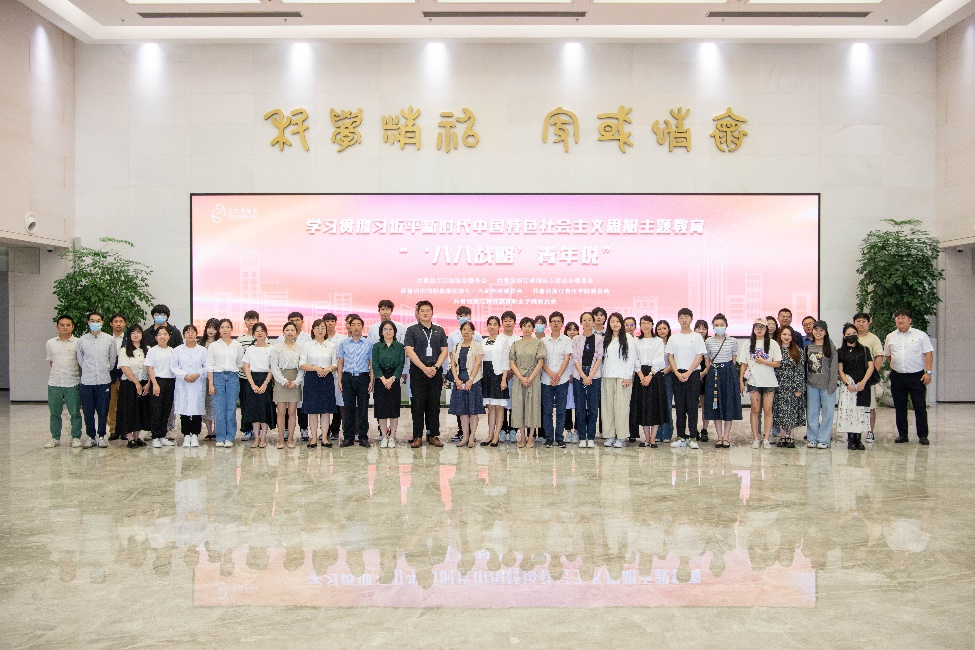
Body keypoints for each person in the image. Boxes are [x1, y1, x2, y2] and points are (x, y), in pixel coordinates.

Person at [884, 309, 934, 445]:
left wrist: (928, 372)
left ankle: (923, 435)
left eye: (903, 318)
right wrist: (898, 364)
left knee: (919, 406)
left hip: (917, 376)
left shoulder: (920, 335)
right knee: (900, 406)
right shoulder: (890, 336)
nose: (900, 320)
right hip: (897, 376)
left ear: (910, 320)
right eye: (898, 318)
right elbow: (888, 355)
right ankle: (903, 434)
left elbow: (928, 354)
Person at [404, 301, 449, 448]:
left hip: (435, 371)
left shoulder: (439, 330)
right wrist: (424, 368)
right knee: (418, 404)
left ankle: (433, 435)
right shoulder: (412, 330)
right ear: (417, 313)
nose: (425, 313)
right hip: (418, 371)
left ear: (432, 312)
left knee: (434, 404)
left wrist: (435, 367)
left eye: (428, 310)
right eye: (422, 310)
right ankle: (417, 436)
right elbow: (409, 351)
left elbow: (444, 351)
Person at [738, 318, 782, 449]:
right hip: (753, 381)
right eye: (756, 326)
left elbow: (777, 363)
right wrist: (741, 381)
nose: (759, 329)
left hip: (769, 382)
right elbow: (743, 364)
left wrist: (764, 362)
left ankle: (767, 438)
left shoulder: (773, 344)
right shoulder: (747, 344)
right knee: (755, 410)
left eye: (762, 327)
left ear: (766, 329)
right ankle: (756, 438)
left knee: (768, 410)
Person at [76, 311, 118, 448]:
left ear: (102, 322)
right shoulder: (82, 340)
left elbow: (112, 359)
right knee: (88, 410)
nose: (95, 323)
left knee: (103, 410)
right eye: (92, 321)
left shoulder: (109, 339)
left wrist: (105, 369)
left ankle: (101, 436)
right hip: (87, 381)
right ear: (88, 323)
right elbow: (80, 360)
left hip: (104, 380)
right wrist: (88, 370)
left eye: (98, 321)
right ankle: (90, 436)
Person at [667, 308, 707, 449]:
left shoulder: (697, 337)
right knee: (680, 407)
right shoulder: (673, 338)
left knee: (692, 406)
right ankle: (681, 437)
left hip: (693, 374)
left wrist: (689, 372)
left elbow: (699, 356)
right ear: (678, 319)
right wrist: (677, 373)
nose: (684, 320)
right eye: (681, 317)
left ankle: (693, 437)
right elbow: (670, 356)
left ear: (691, 319)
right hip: (677, 374)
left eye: (687, 317)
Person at [445, 305, 484, 442]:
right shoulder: (456, 344)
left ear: (473, 332)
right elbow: (453, 363)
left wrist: (470, 379)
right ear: (461, 332)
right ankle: (464, 436)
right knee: (462, 410)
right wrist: (456, 379)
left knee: (473, 409)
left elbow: (478, 364)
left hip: (473, 380)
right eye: (464, 330)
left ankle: (472, 437)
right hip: (459, 379)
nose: (466, 332)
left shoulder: (478, 343)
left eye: (469, 330)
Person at [703, 314, 741, 449]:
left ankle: (726, 437)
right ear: (713, 327)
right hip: (714, 373)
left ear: (726, 326)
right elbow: (707, 360)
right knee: (716, 405)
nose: (719, 327)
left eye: (722, 325)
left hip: (728, 373)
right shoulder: (708, 341)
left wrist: (731, 374)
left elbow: (734, 360)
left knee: (728, 403)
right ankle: (719, 437)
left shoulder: (732, 341)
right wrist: (711, 371)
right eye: (716, 325)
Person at [601, 312, 639, 448]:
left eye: (617, 321)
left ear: (621, 323)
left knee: (621, 408)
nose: (615, 324)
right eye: (612, 321)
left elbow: (631, 358)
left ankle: (621, 437)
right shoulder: (606, 338)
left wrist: (628, 376)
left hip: (623, 378)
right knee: (608, 408)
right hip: (607, 376)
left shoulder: (628, 338)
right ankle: (610, 435)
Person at [300, 318, 339, 449]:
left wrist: (328, 369)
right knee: (312, 410)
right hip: (312, 378)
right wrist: (316, 368)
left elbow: (335, 364)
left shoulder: (331, 345)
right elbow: (302, 364)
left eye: (323, 328)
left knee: (326, 410)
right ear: (313, 330)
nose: (320, 330)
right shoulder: (307, 345)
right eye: (317, 328)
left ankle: (325, 438)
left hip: (327, 378)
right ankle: (313, 438)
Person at [509, 317, 546, 448]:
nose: (527, 329)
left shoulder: (539, 343)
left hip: (533, 379)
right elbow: (512, 362)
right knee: (519, 406)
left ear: (533, 328)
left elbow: (540, 362)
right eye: (524, 326)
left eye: (529, 326)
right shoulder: (516, 344)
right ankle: (522, 437)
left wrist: (530, 378)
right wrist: (521, 377)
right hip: (518, 379)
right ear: (521, 328)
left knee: (533, 406)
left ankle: (531, 437)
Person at [45, 315, 82, 448]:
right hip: (54, 383)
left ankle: (76, 437)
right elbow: (51, 361)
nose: (65, 327)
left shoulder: (78, 342)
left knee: (75, 413)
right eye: (62, 325)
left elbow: (80, 362)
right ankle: (55, 438)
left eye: (68, 325)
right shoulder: (50, 343)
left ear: (72, 327)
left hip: (72, 382)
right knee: (54, 413)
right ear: (57, 327)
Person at [206, 318, 244, 448]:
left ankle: (230, 437)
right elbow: (210, 366)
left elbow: (240, 364)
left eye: (228, 327)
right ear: (219, 330)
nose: (225, 329)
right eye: (222, 327)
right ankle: (220, 437)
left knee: (231, 408)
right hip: (218, 377)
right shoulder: (214, 346)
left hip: (233, 377)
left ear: (231, 329)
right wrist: (211, 384)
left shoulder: (237, 345)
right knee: (219, 409)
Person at [837, 323, 875, 451]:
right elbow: (840, 370)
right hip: (848, 386)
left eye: (854, 333)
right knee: (849, 411)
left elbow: (871, 366)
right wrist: (848, 384)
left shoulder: (864, 349)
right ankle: (851, 439)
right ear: (844, 336)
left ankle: (858, 438)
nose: (851, 336)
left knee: (860, 411)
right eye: (848, 334)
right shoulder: (840, 351)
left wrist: (863, 382)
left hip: (862, 385)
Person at [337, 314, 373, 448]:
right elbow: (340, 362)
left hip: (363, 378)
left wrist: (371, 381)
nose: (356, 327)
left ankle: (363, 437)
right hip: (347, 378)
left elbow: (371, 363)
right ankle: (348, 438)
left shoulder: (369, 343)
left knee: (363, 408)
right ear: (349, 327)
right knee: (348, 408)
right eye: (353, 325)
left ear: (363, 327)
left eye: (359, 325)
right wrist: (339, 380)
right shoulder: (344, 343)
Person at [540, 311, 573, 449]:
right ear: (549, 324)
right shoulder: (543, 341)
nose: (555, 323)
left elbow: (566, 359)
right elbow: (541, 361)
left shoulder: (567, 340)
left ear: (562, 324)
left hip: (562, 380)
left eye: (558, 321)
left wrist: (558, 375)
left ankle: (559, 437)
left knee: (561, 411)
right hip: (546, 380)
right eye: (553, 321)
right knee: (547, 411)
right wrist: (551, 374)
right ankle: (549, 438)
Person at [171, 324, 207, 448]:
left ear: (196, 334)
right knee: (184, 409)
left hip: (198, 382)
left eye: (192, 332)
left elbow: (207, 366)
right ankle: (186, 435)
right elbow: (174, 366)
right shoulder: (177, 350)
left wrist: (197, 374)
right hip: (183, 383)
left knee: (197, 410)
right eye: (187, 332)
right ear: (183, 335)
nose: (190, 334)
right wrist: (184, 375)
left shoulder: (202, 350)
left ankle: (195, 435)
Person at [115, 324, 150, 448]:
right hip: (129, 384)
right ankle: (130, 438)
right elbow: (124, 368)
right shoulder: (124, 350)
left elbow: (151, 368)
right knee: (128, 411)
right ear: (128, 336)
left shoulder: (148, 349)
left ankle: (137, 437)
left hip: (144, 383)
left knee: (140, 410)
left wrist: (148, 384)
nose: (136, 335)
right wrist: (136, 383)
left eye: (138, 332)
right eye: (133, 333)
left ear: (142, 335)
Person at [805, 320, 838, 450]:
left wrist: (832, 385)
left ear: (825, 332)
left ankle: (824, 439)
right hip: (811, 385)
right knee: (812, 412)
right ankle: (812, 438)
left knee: (827, 413)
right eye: (816, 329)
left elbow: (834, 368)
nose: (818, 332)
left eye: (821, 330)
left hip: (827, 386)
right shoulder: (808, 348)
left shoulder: (831, 347)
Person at [571, 311, 603, 448]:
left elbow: (599, 358)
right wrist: (583, 376)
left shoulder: (599, 339)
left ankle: (591, 437)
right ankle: (582, 437)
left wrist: (590, 375)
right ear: (581, 322)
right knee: (580, 407)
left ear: (593, 322)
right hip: (579, 375)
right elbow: (575, 358)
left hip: (594, 375)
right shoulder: (576, 339)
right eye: (585, 320)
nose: (587, 322)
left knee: (593, 407)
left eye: (590, 319)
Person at [371, 319, 405, 448]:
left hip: (394, 379)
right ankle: (384, 437)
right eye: (385, 329)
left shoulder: (399, 347)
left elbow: (401, 364)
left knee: (393, 409)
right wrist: (383, 379)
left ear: (394, 332)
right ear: (381, 332)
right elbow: (375, 364)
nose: (388, 331)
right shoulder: (377, 346)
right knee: (382, 409)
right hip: (381, 379)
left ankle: (392, 437)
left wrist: (392, 379)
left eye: (390, 329)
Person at [242, 323, 276, 449]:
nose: (260, 333)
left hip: (266, 380)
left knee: (264, 410)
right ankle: (256, 437)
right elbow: (246, 366)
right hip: (252, 380)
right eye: (257, 331)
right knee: (254, 411)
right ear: (253, 334)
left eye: (262, 331)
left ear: (266, 333)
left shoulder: (271, 348)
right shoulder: (250, 349)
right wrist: (252, 384)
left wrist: (266, 383)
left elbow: (272, 367)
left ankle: (263, 438)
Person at [271, 321, 304, 449]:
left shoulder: (300, 348)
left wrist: (296, 381)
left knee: (292, 412)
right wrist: (283, 381)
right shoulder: (277, 348)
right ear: (283, 332)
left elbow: (302, 367)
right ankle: (280, 440)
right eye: (287, 330)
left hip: (295, 380)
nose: (290, 332)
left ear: (296, 332)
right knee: (280, 412)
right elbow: (274, 367)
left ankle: (290, 439)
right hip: (281, 381)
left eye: (292, 330)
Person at [853, 312, 885, 442]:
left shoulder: (873, 338)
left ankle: (870, 432)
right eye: (858, 321)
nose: (861, 324)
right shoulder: (851, 336)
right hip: (853, 378)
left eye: (863, 321)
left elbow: (879, 356)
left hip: (868, 378)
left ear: (868, 323)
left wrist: (872, 375)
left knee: (870, 406)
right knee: (854, 406)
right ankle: (855, 431)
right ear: (854, 323)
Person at [634, 315, 664, 448]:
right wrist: (641, 375)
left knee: (655, 406)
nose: (645, 325)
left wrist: (650, 375)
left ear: (652, 325)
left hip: (655, 375)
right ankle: (646, 437)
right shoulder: (636, 341)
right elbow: (634, 358)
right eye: (643, 323)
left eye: (648, 323)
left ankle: (653, 438)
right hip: (640, 374)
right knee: (643, 405)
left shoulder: (658, 341)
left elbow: (659, 359)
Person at [772, 325, 805, 449]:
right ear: (780, 335)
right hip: (778, 385)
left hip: (792, 386)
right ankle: (782, 436)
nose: (787, 337)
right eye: (784, 334)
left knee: (791, 412)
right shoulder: (775, 349)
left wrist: (799, 388)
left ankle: (791, 436)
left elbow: (800, 370)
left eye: (789, 335)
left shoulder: (798, 350)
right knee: (780, 411)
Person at [146, 327, 177, 448]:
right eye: (159, 334)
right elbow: (149, 368)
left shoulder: (172, 351)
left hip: (170, 381)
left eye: (165, 334)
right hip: (157, 381)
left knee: (166, 409)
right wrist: (154, 384)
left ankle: (162, 436)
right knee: (156, 410)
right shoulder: (153, 351)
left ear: (169, 336)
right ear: (156, 337)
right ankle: (155, 437)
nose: (162, 337)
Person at [480, 316, 508, 447]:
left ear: (499, 327)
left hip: (498, 375)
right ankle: (490, 434)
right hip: (486, 375)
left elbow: (505, 361)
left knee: (498, 406)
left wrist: (504, 379)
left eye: (495, 324)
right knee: (490, 407)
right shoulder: (483, 341)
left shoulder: (503, 341)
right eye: (490, 324)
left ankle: (497, 435)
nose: (492, 327)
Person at [322, 313, 347, 441]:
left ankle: (335, 430)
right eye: (327, 321)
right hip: (322, 375)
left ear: (336, 323)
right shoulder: (320, 338)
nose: (330, 323)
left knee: (339, 404)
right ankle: (324, 431)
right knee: (324, 404)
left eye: (332, 321)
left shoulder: (342, 339)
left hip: (338, 375)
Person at [287, 312, 311, 441]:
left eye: (297, 320)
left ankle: (304, 429)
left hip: (303, 374)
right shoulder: (281, 338)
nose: (295, 322)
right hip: (286, 375)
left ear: (302, 322)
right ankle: (286, 430)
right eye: (292, 320)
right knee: (286, 403)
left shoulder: (308, 338)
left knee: (302, 403)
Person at [237, 310, 260, 441]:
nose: (251, 322)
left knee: (257, 404)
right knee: (245, 404)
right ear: (245, 321)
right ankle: (247, 430)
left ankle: (258, 431)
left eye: (254, 319)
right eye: (248, 319)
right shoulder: (240, 339)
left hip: (258, 377)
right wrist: (246, 370)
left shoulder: (262, 337)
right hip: (244, 378)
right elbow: (239, 359)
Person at [653, 320, 674, 444]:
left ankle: (667, 433)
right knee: (656, 405)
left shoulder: (672, 343)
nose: (662, 331)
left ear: (668, 330)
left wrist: (667, 370)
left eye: (664, 328)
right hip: (655, 376)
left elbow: (675, 359)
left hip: (667, 376)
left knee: (667, 405)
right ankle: (657, 433)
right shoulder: (654, 343)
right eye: (659, 329)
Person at [106, 313, 127, 439]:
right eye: (116, 321)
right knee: (111, 404)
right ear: (111, 323)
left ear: (125, 324)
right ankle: (113, 429)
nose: (118, 324)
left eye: (121, 321)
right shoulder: (106, 339)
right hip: (111, 376)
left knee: (125, 404)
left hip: (126, 376)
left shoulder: (129, 339)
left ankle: (125, 430)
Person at [200, 318, 220, 439]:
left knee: (216, 405)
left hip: (216, 377)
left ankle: (217, 430)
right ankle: (209, 432)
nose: (211, 330)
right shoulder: (200, 343)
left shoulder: (220, 344)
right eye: (209, 327)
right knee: (206, 405)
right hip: (203, 379)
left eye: (214, 328)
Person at [693, 319, 711, 442]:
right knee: (693, 405)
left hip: (706, 376)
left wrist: (704, 373)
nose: (701, 331)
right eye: (698, 328)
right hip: (692, 375)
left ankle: (704, 429)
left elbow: (711, 360)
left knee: (705, 405)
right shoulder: (691, 342)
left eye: (704, 328)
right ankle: (693, 429)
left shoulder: (709, 343)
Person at [563, 321, 579, 443]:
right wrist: (568, 374)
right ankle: (568, 431)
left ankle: (577, 431)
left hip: (578, 378)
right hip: (565, 379)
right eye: (569, 329)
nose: (572, 332)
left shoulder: (580, 343)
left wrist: (575, 374)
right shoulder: (563, 343)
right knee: (566, 407)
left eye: (574, 329)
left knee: (579, 406)